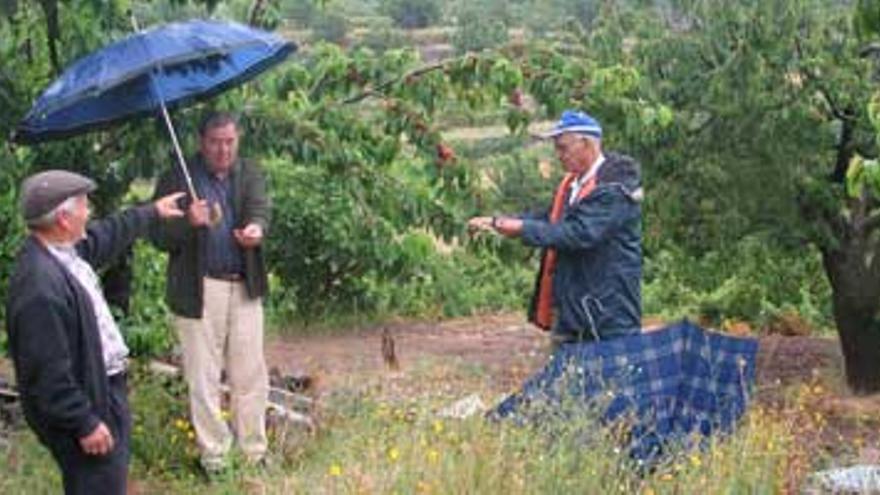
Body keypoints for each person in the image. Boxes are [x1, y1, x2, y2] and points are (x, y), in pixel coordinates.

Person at [5, 170, 184, 495]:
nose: (89, 213)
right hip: (86, 405)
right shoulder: (39, 288)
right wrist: (83, 422)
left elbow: (106, 235)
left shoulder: (61, 254)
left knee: (107, 482)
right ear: (63, 218)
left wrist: (151, 212)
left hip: (100, 391)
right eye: (84, 206)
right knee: (96, 484)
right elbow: (46, 374)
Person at [150, 111, 270, 473]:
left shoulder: (249, 172)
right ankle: (215, 458)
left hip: (244, 284)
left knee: (250, 373)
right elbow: (157, 236)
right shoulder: (177, 177)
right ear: (202, 142)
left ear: (238, 140)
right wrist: (189, 224)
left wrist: (255, 229)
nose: (223, 150)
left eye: (230, 141)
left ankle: (254, 454)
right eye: (216, 142)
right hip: (199, 287)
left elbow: (261, 209)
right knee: (203, 376)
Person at [469, 110, 642, 346]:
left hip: (607, 315)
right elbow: (548, 219)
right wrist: (497, 223)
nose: (558, 155)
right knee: (568, 379)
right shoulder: (573, 184)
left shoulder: (614, 190)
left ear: (586, 144)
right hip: (572, 310)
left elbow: (578, 233)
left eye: (563, 147)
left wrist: (521, 228)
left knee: (609, 380)